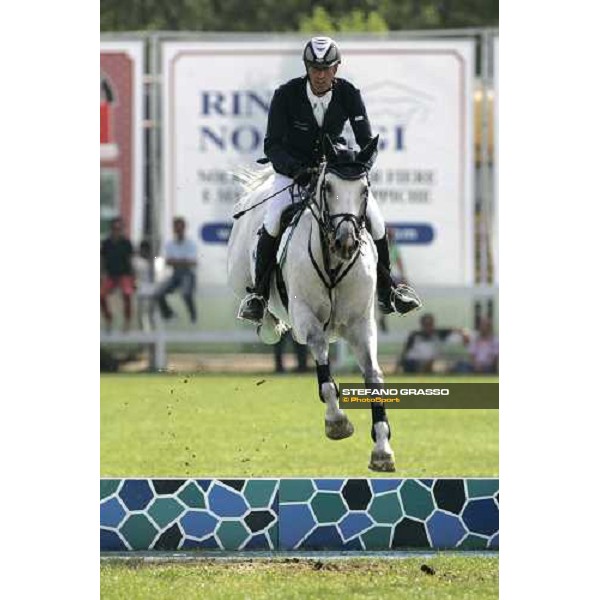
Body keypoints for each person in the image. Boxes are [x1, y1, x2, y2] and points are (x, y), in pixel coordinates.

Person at [238, 36, 421, 324]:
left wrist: (359, 169)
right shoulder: (286, 94)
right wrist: (295, 169)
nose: (320, 75)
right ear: (306, 68)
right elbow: (272, 145)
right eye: (314, 68)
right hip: (293, 173)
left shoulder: (349, 94)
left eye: (326, 68)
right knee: (273, 220)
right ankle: (259, 295)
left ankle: (389, 292)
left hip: (335, 175)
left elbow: (367, 143)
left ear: (336, 68)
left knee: (376, 221)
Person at [154, 217, 197, 323]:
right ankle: (169, 314)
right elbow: (168, 262)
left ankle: (193, 315)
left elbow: (192, 263)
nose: (178, 230)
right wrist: (183, 261)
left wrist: (176, 261)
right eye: (176, 228)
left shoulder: (191, 243)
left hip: (188, 274)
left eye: (180, 228)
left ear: (184, 228)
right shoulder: (169, 244)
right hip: (175, 274)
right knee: (158, 293)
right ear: (173, 229)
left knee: (186, 293)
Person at [399, 313, 466, 374]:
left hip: (433, 362)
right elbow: (405, 351)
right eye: (426, 324)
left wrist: (464, 334)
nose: (428, 327)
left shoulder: (439, 333)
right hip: (415, 362)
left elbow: (457, 330)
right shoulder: (414, 335)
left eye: (430, 324)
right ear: (422, 324)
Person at [100, 217, 135, 332]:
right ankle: (108, 318)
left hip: (124, 275)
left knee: (127, 294)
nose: (117, 231)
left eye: (119, 229)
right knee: (101, 295)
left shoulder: (126, 243)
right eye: (115, 228)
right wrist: (101, 275)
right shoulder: (106, 243)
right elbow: (103, 260)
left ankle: (127, 321)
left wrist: (133, 279)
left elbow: (130, 261)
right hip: (111, 275)